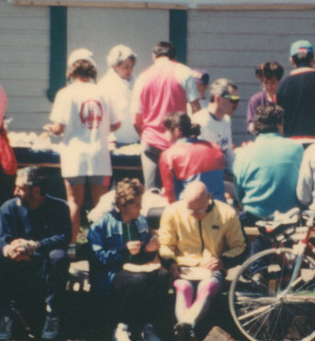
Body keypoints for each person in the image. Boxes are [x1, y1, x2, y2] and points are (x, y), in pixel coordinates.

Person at [0, 167, 71, 341]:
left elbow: (63, 237)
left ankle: (52, 313)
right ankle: (5, 313)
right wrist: (8, 250)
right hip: (13, 263)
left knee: (59, 256)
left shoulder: (59, 207)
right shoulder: (9, 207)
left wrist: (35, 246)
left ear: (36, 191)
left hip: (42, 262)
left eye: (20, 188)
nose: (15, 192)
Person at [157, 182, 245, 341]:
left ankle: (187, 325)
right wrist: (171, 263)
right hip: (184, 268)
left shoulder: (226, 213)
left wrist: (223, 261)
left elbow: (240, 246)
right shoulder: (172, 212)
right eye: (190, 210)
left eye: (199, 210)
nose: (195, 214)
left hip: (211, 269)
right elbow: (165, 244)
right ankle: (186, 328)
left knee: (207, 287)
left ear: (209, 198)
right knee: (182, 287)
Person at [87, 178, 170, 341]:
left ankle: (146, 325)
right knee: (137, 280)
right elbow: (98, 258)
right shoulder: (101, 225)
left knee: (162, 276)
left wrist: (151, 249)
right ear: (123, 205)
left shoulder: (141, 221)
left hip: (137, 268)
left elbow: (146, 254)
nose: (141, 208)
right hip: (110, 273)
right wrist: (122, 250)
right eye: (137, 204)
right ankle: (121, 325)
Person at [46, 56, 117, 242]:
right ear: (92, 72)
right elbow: (116, 123)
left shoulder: (65, 93)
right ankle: (103, 245)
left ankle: (70, 245)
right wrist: (100, 130)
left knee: (74, 202)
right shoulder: (103, 92)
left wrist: (51, 129)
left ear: (72, 72)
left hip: (74, 155)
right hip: (99, 155)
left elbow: (59, 128)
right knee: (101, 204)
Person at [132, 41, 201, 190]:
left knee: (152, 193)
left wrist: (146, 135)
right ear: (174, 57)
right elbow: (196, 109)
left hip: (151, 142)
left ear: (154, 56)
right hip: (178, 141)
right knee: (180, 191)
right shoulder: (183, 71)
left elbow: (135, 120)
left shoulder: (142, 78)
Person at [234, 103, 305, 223]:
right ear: (280, 124)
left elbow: (239, 193)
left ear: (256, 126)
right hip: (290, 216)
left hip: (254, 216)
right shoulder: (297, 148)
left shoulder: (242, 153)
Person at [158, 112, 228, 203]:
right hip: (219, 209)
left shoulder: (168, 155)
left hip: (192, 211)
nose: (164, 134)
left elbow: (171, 198)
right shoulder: (215, 147)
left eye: (166, 130)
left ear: (177, 131)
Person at [276, 39, 315, 139]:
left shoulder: (282, 85)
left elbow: (280, 120)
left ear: (291, 60)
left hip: (290, 144)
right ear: (312, 58)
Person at [192, 78, 239, 173]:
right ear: (218, 98)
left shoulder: (226, 119)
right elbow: (201, 160)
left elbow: (229, 153)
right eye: (232, 100)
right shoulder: (200, 121)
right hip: (205, 173)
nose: (236, 105)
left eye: (237, 100)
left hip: (221, 171)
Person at [99, 44, 139, 145]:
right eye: (125, 67)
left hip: (135, 138)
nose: (129, 70)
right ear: (114, 66)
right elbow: (102, 116)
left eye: (131, 66)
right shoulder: (105, 85)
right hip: (115, 141)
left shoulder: (137, 82)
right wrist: (110, 139)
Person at [247, 61, 284, 135]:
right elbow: (250, 125)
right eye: (265, 83)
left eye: (273, 82)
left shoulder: (285, 98)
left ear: (279, 81)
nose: (269, 87)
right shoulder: (256, 100)